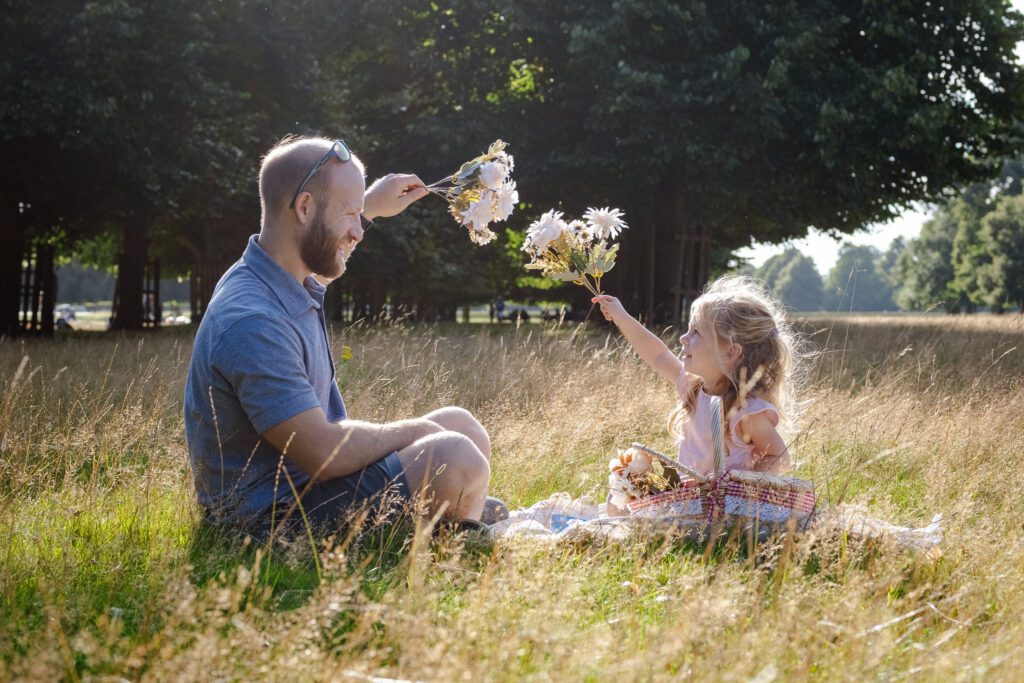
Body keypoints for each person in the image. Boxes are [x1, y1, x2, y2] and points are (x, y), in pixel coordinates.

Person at [184, 135, 504, 539]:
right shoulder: (252, 319)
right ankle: (457, 540)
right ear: (304, 208)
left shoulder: (277, 273)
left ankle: (458, 523)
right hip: (269, 522)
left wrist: (368, 206)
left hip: (312, 491)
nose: (359, 232)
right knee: (455, 454)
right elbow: (321, 452)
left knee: (462, 426)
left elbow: (325, 241)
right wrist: (419, 432)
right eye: (349, 215)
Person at [592, 275, 805, 515]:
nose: (683, 338)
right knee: (618, 499)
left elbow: (779, 456)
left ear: (730, 352)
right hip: (690, 498)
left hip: (727, 508)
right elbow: (657, 355)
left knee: (627, 512)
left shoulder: (746, 411)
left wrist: (742, 484)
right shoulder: (693, 387)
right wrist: (622, 317)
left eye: (696, 333)